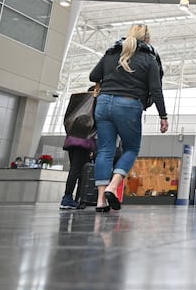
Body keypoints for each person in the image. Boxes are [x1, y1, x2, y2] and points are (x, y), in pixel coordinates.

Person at [89, 24, 168, 212]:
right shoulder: (149, 59)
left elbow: (93, 75)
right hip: (129, 105)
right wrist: (163, 116)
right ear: (147, 39)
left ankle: (101, 200)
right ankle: (112, 186)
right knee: (131, 149)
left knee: (105, 151)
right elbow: (156, 90)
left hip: (104, 102)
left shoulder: (111, 53)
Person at [60, 134, 95, 210]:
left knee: (74, 169)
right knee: (80, 172)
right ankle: (71, 198)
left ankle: (70, 198)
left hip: (71, 140)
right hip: (84, 142)